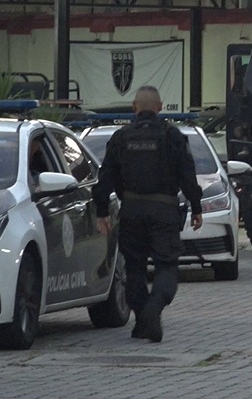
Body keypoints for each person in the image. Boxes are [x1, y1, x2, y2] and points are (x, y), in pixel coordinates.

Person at [94, 85, 203, 343]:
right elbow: (188, 176)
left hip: (131, 211)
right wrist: (196, 207)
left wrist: (101, 212)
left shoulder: (121, 137)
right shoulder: (173, 136)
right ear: (160, 107)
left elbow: (105, 176)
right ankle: (153, 310)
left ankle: (143, 321)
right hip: (164, 211)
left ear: (134, 107)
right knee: (167, 267)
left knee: (134, 269)